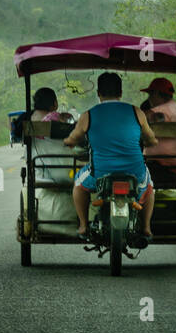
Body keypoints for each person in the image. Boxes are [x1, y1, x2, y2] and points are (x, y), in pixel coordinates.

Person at [62, 72, 158, 240]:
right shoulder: (137, 112)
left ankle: (83, 226)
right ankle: (146, 228)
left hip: (100, 173)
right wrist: (151, 142)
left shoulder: (88, 115)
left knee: (78, 184)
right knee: (149, 187)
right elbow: (150, 138)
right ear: (120, 93)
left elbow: (74, 137)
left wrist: (68, 141)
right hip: (135, 172)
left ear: (99, 93)